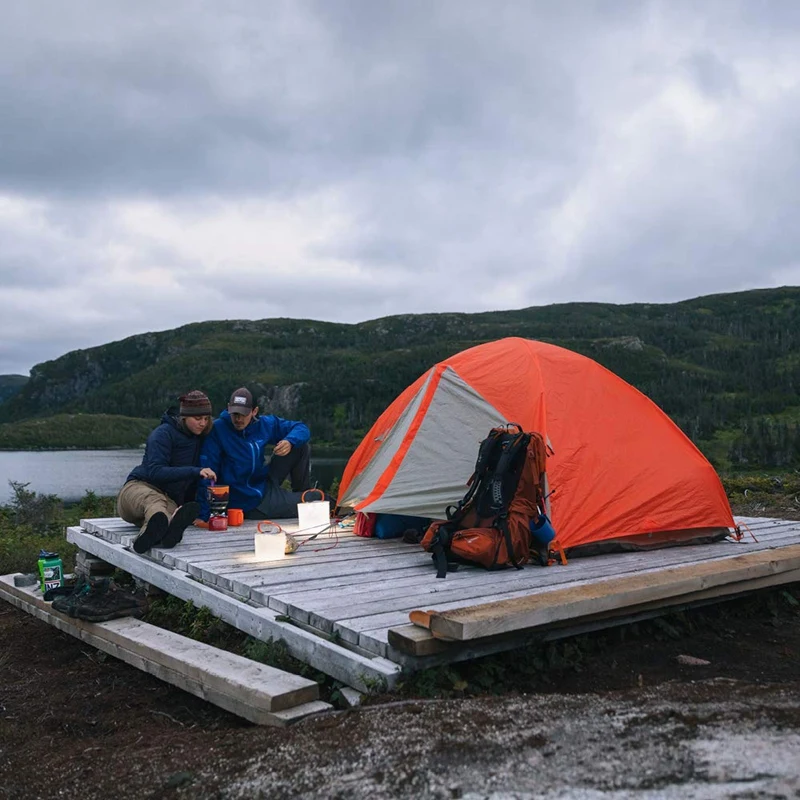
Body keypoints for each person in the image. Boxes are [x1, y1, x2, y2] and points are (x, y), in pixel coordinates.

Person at [196, 386, 327, 522]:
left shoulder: (264, 425)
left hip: (263, 483)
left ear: (254, 411)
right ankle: (304, 501)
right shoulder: (218, 429)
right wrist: (203, 515)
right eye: (235, 414)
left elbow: (301, 428)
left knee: (299, 445)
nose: (238, 419)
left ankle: (301, 492)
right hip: (248, 502)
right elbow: (207, 474)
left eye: (244, 414)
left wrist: (289, 441)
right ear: (228, 408)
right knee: (318, 499)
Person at [117, 390, 217, 553]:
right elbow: (155, 472)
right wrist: (195, 471)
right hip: (137, 489)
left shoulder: (200, 436)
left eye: (206, 419)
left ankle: (166, 533)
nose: (203, 423)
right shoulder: (162, 434)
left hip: (168, 500)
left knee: (165, 512)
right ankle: (145, 538)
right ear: (184, 417)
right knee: (155, 502)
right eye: (198, 418)